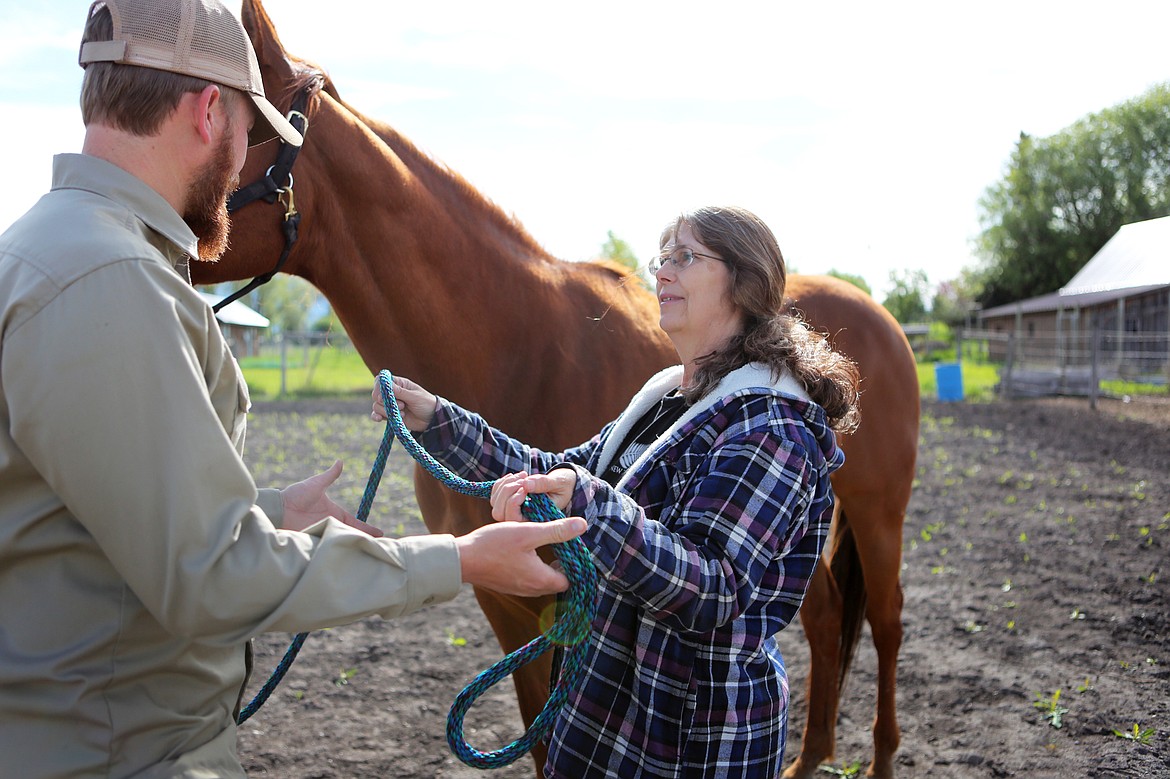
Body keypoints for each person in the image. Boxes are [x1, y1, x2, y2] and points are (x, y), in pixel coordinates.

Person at [0, 1, 584, 777]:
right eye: (251, 127)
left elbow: (77, 517)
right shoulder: (113, 281)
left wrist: (267, 510)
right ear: (211, 111)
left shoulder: (48, 252)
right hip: (125, 750)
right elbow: (209, 578)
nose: (246, 151)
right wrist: (460, 559)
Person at [372, 205, 862, 778]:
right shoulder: (667, 400)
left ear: (744, 282)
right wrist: (437, 420)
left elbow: (713, 589)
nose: (662, 273)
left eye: (686, 257)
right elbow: (556, 472)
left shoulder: (770, 430)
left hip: (691, 739)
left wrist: (588, 501)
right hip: (613, 717)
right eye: (663, 257)